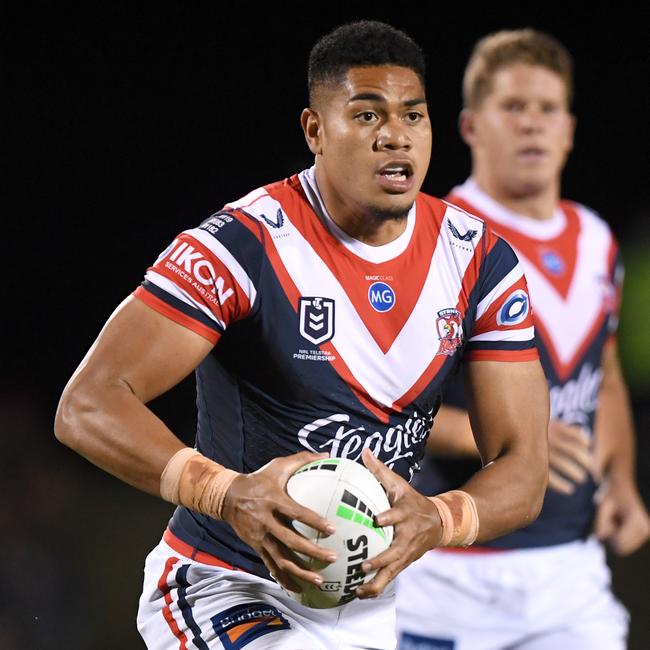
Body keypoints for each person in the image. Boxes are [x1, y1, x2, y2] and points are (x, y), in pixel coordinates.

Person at [55, 20, 550, 650]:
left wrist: (440, 518)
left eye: (413, 116)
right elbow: (89, 403)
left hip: (372, 602)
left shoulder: (481, 261)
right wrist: (227, 493)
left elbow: (523, 467)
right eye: (367, 116)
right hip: (226, 585)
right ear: (315, 130)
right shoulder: (243, 247)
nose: (395, 135)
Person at [395, 28, 650, 650]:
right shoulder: (430, 240)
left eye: (547, 109)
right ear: (471, 126)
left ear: (569, 129)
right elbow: (380, 405)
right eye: (513, 107)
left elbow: (605, 375)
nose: (532, 123)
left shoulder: (597, 240)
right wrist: (512, 436)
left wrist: (620, 480)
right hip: (447, 576)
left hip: (570, 578)